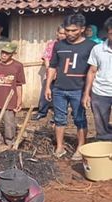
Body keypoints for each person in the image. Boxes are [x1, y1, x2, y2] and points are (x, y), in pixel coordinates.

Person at [45, 13, 95, 160]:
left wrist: (88, 92)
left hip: (79, 90)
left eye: (74, 30)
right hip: (59, 88)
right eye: (67, 30)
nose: (70, 33)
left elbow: (93, 70)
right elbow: (53, 66)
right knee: (59, 118)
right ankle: (59, 147)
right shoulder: (59, 45)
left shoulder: (91, 46)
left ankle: (80, 147)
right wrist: (48, 86)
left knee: (80, 119)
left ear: (82, 29)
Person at [82, 17, 112, 141]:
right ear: (107, 33)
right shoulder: (98, 49)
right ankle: (104, 154)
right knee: (102, 127)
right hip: (100, 92)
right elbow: (92, 71)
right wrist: (86, 94)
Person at [32, 25, 67, 121]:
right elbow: (46, 57)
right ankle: (42, 112)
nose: (62, 35)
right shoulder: (52, 44)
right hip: (51, 72)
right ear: (57, 33)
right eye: (60, 33)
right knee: (45, 93)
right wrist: (49, 69)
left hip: (64, 74)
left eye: (64, 33)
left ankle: (58, 115)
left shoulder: (69, 45)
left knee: (60, 95)